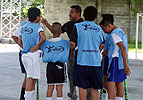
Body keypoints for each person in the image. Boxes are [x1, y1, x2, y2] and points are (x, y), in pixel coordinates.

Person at [42, 5, 92, 100]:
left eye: (72, 12)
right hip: (72, 54)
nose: (69, 14)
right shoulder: (68, 25)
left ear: (78, 13)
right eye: (70, 12)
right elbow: (56, 31)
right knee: (71, 74)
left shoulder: (84, 24)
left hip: (84, 54)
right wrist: (46, 23)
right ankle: (72, 95)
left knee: (85, 76)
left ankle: (88, 97)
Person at [70, 6, 104, 100]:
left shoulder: (78, 26)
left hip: (82, 61)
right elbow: (102, 45)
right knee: (94, 87)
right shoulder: (99, 29)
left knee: (82, 86)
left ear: (83, 15)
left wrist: (72, 51)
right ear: (95, 17)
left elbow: (72, 44)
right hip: (95, 62)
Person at [100, 14, 131, 100]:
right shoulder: (121, 31)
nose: (104, 31)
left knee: (111, 84)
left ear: (109, 25)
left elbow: (123, 48)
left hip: (115, 61)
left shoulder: (113, 34)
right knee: (119, 82)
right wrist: (125, 64)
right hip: (121, 61)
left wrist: (125, 65)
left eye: (104, 29)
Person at [18, 7, 46, 100]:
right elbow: (44, 38)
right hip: (33, 56)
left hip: (24, 55)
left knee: (32, 78)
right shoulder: (38, 27)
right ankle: (28, 98)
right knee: (30, 78)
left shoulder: (23, 26)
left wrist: (25, 48)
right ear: (37, 17)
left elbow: (19, 40)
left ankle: (31, 97)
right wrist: (37, 46)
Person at [41, 22, 70, 100]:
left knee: (50, 86)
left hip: (49, 66)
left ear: (51, 31)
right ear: (61, 31)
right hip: (60, 65)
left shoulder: (46, 43)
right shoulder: (65, 43)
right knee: (59, 87)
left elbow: (43, 55)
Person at [12, 20, 28, 100]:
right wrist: (23, 47)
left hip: (31, 54)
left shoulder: (36, 26)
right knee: (28, 76)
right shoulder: (24, 25)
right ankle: (23, 96)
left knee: (29, 76)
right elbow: (14, 36)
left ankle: (27, 95)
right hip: (24, 53)